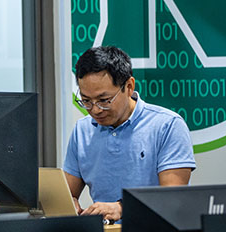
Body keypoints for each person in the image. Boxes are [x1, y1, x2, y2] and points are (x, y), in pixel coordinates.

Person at [63, 45, 195, 222]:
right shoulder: (82, 130)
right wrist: (69, 203)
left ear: (129, 86)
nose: (95, 110)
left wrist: (121, 208)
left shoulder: (167, 126)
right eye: (86, 101)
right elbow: (67, 194)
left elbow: (171, 198)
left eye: (104, 100)